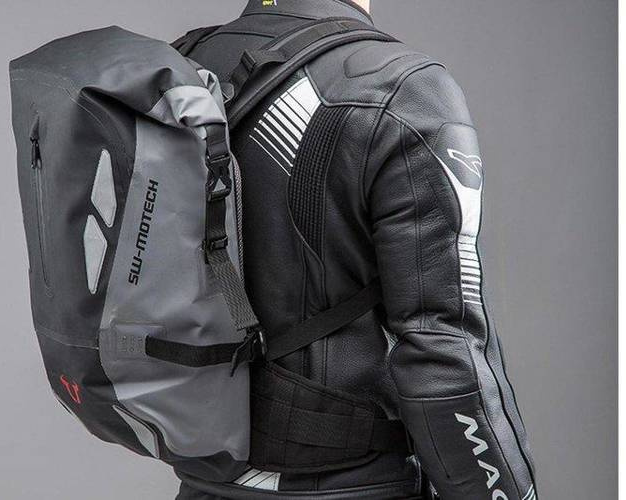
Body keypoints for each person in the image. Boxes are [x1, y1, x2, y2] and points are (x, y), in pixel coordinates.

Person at [179, 1, 537, 498]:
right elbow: (443, 348)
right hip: (354, 481)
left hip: (207, 478)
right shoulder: (401, 89)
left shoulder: (183, 66)